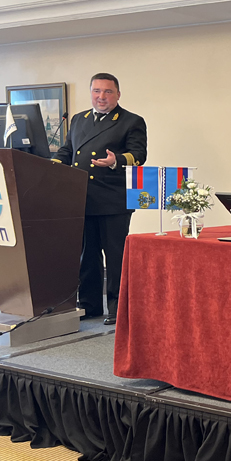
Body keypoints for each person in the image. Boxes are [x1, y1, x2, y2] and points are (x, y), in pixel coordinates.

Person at [53, 73, 147, 325]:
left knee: (115, 257)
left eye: (107, 91)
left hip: (113, 200)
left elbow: (139, 154)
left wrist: (116, 160)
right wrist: (53, 164)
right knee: (88, 256)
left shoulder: (131, 121)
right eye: (96, 91)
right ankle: (89, 305)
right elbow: (68, 150)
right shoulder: (79, 119)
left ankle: (117, 307)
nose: (101, 96)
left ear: (118, 94)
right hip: (82, 198)